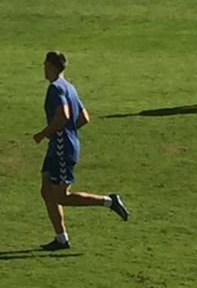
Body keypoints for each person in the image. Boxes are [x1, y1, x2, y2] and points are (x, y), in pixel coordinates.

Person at [32, 50, 129, 251]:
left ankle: (109, 201)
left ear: (50, 66)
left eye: (45, 64)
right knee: (46, 191)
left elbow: (63, 115)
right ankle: (61, 239)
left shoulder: (55, 89)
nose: (43, 68)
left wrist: (45, 133)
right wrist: (68, 133)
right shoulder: (70, 87)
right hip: (61, 146)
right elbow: (84, 117)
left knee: (60, 197)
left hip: (60, 147)